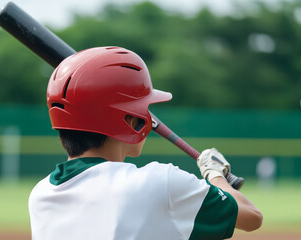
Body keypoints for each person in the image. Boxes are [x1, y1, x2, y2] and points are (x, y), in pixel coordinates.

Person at [29, 46, 263, 240]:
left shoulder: (41, 195)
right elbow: (252, 216)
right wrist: (215, 174)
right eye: (143, 108)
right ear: (129, 119)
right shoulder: (161, 183)